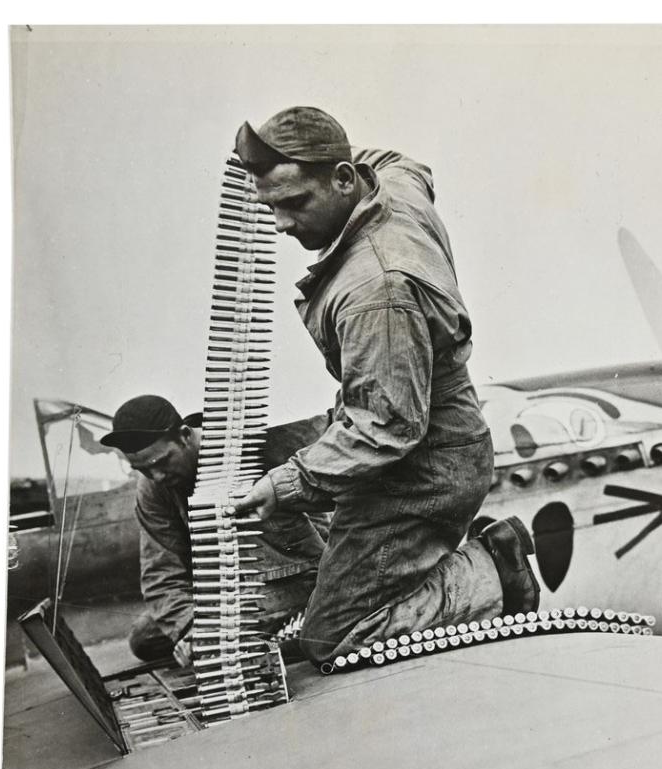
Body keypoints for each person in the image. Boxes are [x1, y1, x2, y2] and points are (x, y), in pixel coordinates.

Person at [231, 106, 540, 667]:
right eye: (269, 206)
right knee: (340, 584)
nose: (280, 224)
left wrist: (286, 484)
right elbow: (401, 162)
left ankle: (493, 571)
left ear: (344, 180)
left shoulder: (376, 288)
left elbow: (389, 425)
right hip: (432, 441)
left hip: (420, 467)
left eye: (295, 203)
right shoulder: (391, 187)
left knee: (334, 636)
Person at [100, 394, 329, 661]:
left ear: (185, 435)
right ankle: (269, 637)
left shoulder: (248, 446)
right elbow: (162, 574)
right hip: (225, 597)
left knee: (298, 619)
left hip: (291, 580)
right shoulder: (153, 487)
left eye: (161, 462)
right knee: (144, 637)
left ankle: (283, 633)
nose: (157, 476)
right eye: (143, 470)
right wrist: (192, 628)